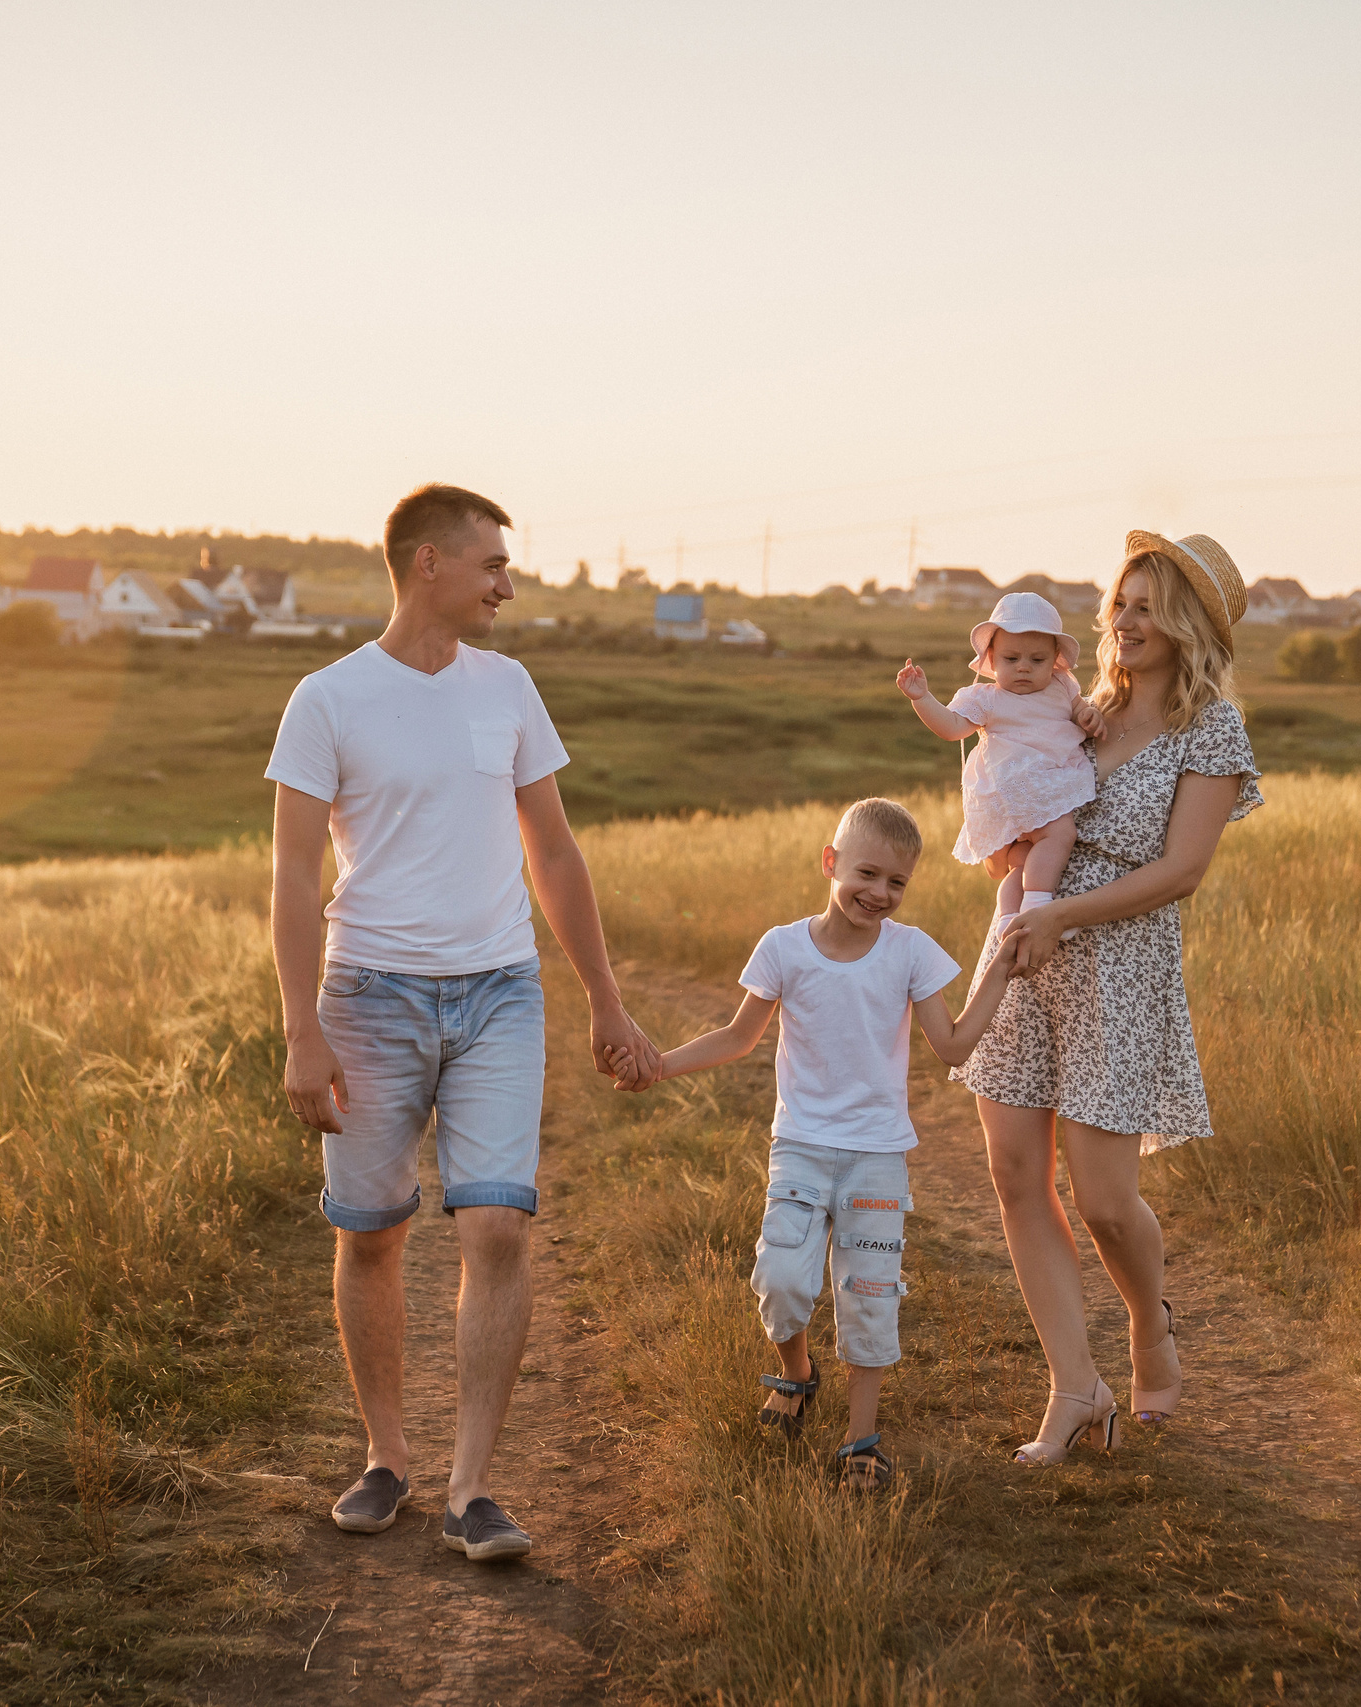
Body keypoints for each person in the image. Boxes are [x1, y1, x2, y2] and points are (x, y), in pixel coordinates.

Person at [266, 482, 663, 1562]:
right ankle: (386, 1457)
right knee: (371, 1233)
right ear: (427, 563)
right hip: (368, 998)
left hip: (499, 994)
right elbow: (294, 877)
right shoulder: (328, 699)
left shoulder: (510, 687)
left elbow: (555, 851)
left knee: (496, 1227)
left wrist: (604, 997)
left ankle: (471, 1489)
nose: (507, 586)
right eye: (492, 564)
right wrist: (301, 1029)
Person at [954, 532, 1265, 1466]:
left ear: (1188, 625)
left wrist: (1064, 913)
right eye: (1119, 603)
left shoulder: (1210, 729)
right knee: (1016, 1174)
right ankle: (1074, 1388)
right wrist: (1010, 859)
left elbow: (1182, 870)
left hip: (1120, 968)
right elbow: (1012, 790)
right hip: (1025, 949)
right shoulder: (1079, 705)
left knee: (1104, 1199)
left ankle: (1148, 1323)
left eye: (1145, 607)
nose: (1123, 622)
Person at [616, 798, 1017, 1492]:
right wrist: (660, 1065)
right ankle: (799, 1373)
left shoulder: (911, 952)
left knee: (870, 1294)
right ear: (830, 863)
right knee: (781, 1281)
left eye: (897, 882)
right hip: (800, 1147)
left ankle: (861, 1439)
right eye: (867, 873)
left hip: (876, 1157)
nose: (880, 893)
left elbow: (952, 1045)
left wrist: (1000, 973)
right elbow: (738, 1037)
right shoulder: (783, 948)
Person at [895, 590, 1105, 921]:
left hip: (1046, 785)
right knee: (1061, 834)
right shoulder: (987, 698)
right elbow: (951, 727)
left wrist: (1089, 716)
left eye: (1037, 660)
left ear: (1055, 660)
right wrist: (922, 699)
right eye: (1011, 659)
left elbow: (1080, 710)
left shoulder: (1062, 686)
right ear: (992, 659)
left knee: (1021, 860)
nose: (1024, 668)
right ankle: (1038, 905)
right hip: (1018, 787)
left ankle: (1008, 917)